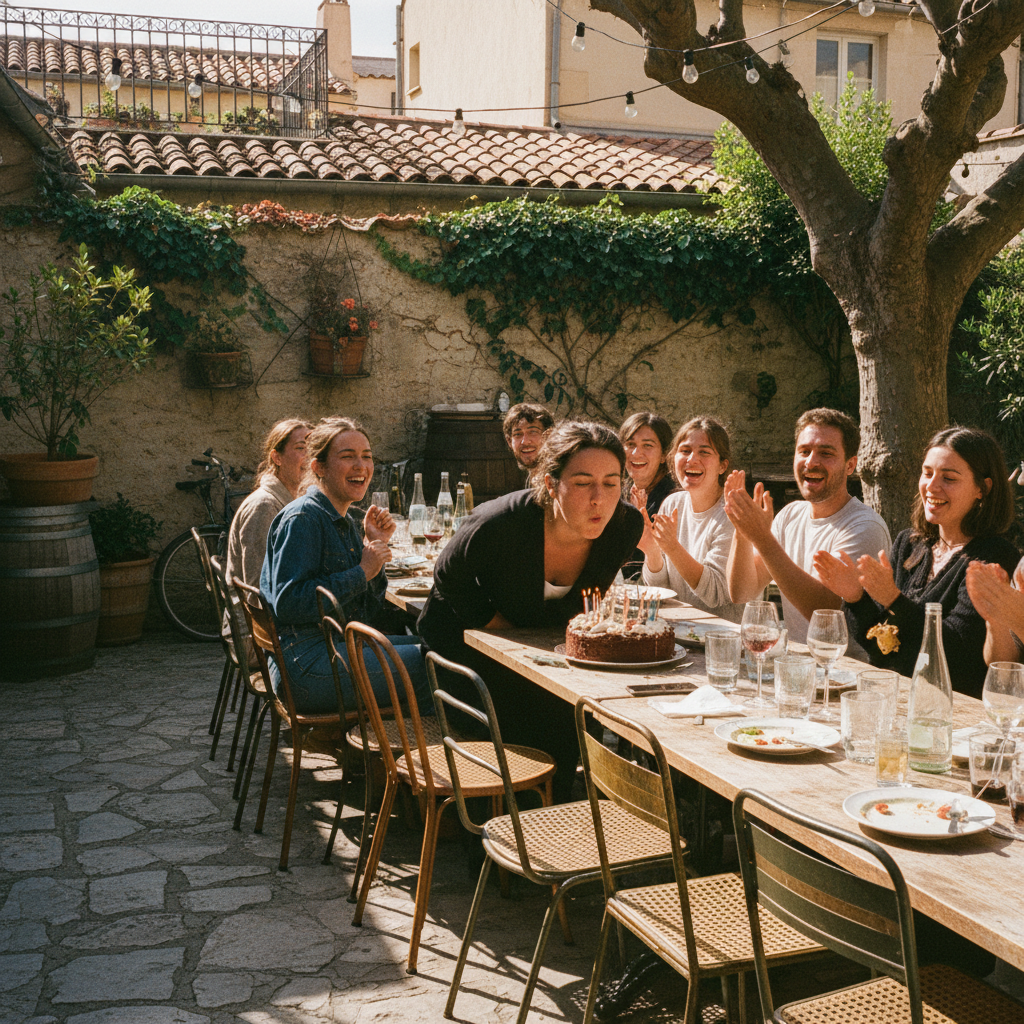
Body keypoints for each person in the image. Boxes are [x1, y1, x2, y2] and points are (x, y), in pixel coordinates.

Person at [417, 420, 643, 801]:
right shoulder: (500, 523)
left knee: (575, 710)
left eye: (611, 483)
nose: (599, 499)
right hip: (463, 647)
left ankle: (552, 817)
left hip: (542, 654)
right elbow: (447, 573)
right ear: (552, 484)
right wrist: (492, 623)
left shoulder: (624, 527)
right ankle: (496, 833)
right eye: (584, 482)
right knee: (523, 713)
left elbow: (588, 598)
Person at [815, 426, 1018, 697]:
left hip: (955, 714)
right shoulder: (910, 544)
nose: (932, 486)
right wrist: (855, 598)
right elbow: (882, 646)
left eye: (949, 478)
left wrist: (892, 599)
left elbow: (958, 655)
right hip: (894, 700)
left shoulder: (994, 557)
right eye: (927, 473)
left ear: (982, 489)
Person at [260, 417, 429, 714]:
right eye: (347, 456)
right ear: (319, 467)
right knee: (442, 666)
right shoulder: (303, 519)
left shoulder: (344, 519)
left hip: (336, 646)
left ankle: (391, 748)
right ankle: (406, 752)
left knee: (440, 645)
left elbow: (369, 611)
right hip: (308, 666)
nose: (361, 466)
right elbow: (289, 603)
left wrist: (373, 546)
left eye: (366, 456)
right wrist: (362, 571)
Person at [725, 408, 890, 655]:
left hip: (846, 678)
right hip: (796, 669)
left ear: (850, 465)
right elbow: (741, 592)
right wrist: (742, 533)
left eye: (826, 453)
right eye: (804, 451)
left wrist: (762, 537)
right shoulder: (791, 514)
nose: (811, 462)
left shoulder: (864, 527)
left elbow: (825, 616)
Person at [640, 416, 744, 622]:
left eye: (704, 452)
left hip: (722, 640)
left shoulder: (732, 514)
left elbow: (716, 594)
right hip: (678, 632)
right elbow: (660, 591)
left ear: (723, 466)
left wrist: (672, 548)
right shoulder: (672, 504)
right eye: (685, 451)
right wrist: (651, 551)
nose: (692, 459)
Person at [620, 411, 676, 577]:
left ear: (664, 456)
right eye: (630, 444)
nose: (637, 453)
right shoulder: (622, 490)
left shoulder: (672, 499)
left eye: (648, 445)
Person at [502, 402, 554, 472]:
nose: (525, 441)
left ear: (549, 435)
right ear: (509, 441)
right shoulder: (534, 479)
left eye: (533, 432)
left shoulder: (562, 479)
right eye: (518, 434)